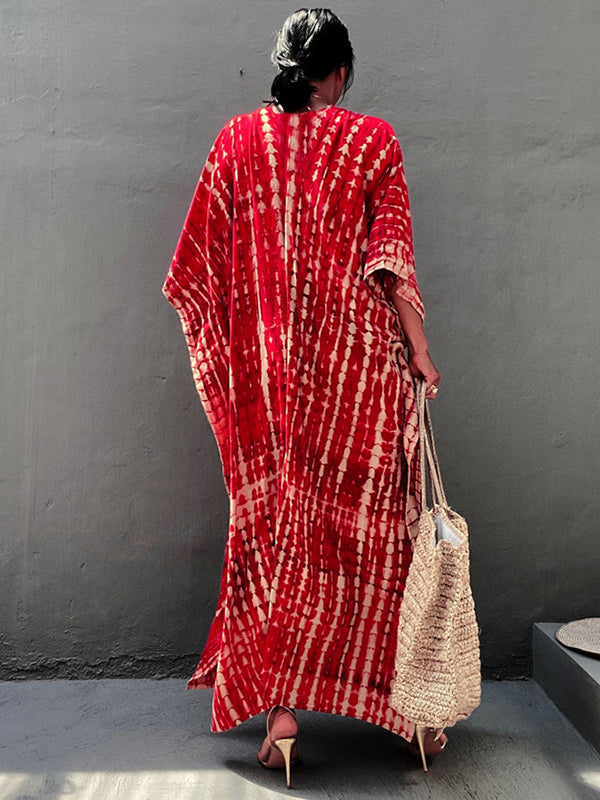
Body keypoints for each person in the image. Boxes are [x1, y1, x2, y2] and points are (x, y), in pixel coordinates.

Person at [162, 7, 444, 789]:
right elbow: (390, 263)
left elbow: (192, 274)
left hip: (270, 389)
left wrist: (247, 348)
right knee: (377, 536)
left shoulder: (235, 142)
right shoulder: (373, 141)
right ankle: (413, 715)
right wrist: (421, 353)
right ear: (340, 73)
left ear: (283, 67)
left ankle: (281, 715)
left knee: (277, 534)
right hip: (358, 381)